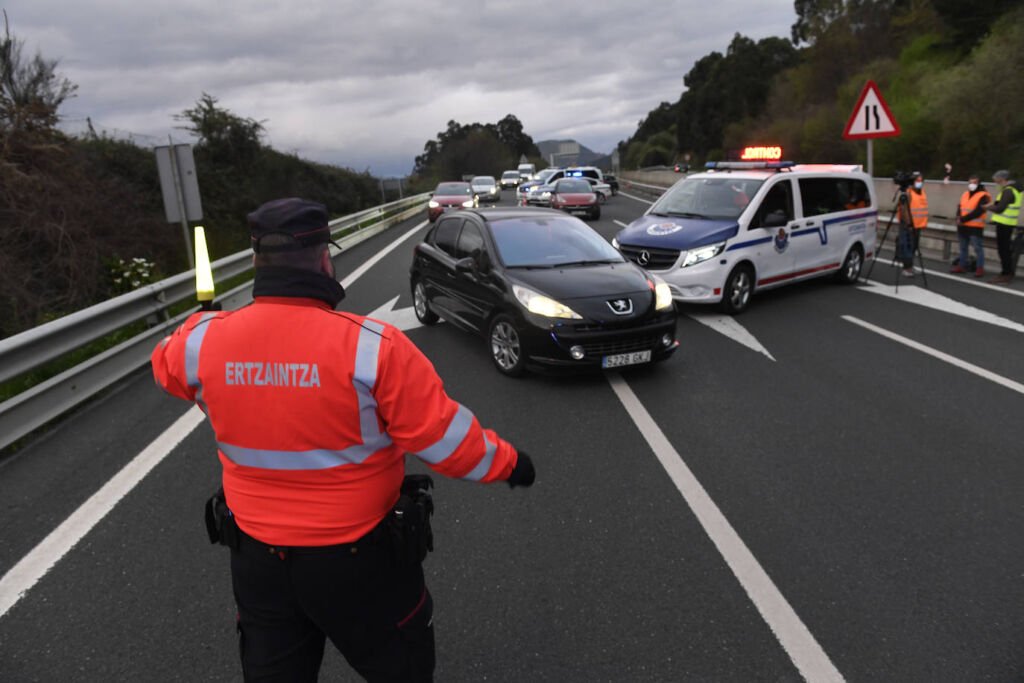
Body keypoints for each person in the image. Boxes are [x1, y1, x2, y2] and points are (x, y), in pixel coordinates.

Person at [150, 198, 536, 682]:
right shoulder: (374, 347)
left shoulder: (202, 343)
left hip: (258, 562)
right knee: (400, 668)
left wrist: (202, 321)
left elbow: (164, 364)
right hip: (360, 561)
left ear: (254, 262)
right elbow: (445, 442)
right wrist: (511, 465)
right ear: (324, 259)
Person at [951, 175, 990, 277]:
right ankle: (962, 265)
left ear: (979, 183)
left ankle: (979, 268)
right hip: (963, 226)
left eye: (974, 183)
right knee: (963, 248)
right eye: (970, 183)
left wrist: (962, 219)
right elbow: (960, 207)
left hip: (975, 226)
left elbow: (978, 211)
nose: (972, 185)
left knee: (978, 249)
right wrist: (958, 217)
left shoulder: (983, 196)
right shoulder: (965, 194)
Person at [987, 170, 1022, 284]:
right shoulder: (1009, 190)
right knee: (1004, 250)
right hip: (1006, 223)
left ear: (1002, 179)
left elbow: (1000, 208)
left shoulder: (1008, 191)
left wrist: (986, 207)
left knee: (1004, 250)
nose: (995, 183)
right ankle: (1006, 273)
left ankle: (1006, 274)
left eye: (996, 180)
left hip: (1005, 224)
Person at [898, 172, 928, 276]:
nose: (919, 183)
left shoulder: (922, 192)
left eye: (921, 181)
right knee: (907, 246)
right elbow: (904, 209)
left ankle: (910, 266)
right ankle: (906, 268)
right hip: (909, 225)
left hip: (918, 225)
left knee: (914, 247)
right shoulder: (908, 192)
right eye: (917, 180)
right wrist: (908, 223)